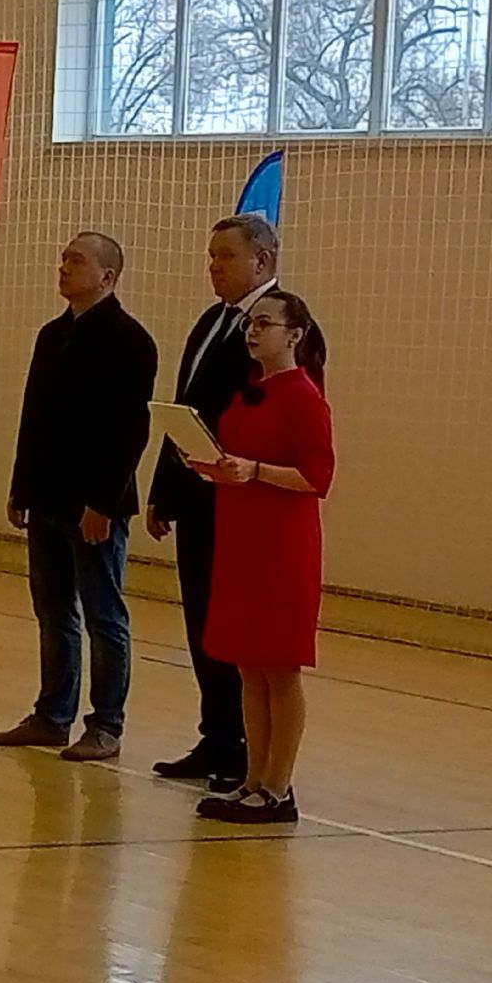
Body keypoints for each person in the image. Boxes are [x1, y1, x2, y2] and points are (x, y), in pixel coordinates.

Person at [0, 232, 157, 762]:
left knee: (104, 615)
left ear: (107, 276)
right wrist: (21, 486)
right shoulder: (51, 335)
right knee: (53, 610)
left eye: (76, 260)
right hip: (47, 497)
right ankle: (51, 715)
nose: (63, 266)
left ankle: (106, 724)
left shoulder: (131, 340)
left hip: (94, 505)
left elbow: (130, 432)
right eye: (63, 257)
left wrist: (103, 503)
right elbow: (34, 415)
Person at [188, 290, 333, 824]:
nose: (252, 331)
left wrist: (254, 471)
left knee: (280, 668)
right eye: (250, 323)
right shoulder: (248, 391)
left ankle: (278, 787)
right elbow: (236, 459)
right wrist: (208, 463)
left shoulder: (305, 397)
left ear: (294, 335)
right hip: (241, 539)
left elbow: (317, 477)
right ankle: (252, 778)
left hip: (282, 547)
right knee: (249, 666)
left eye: (264, 324)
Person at [147, 214, 279, 790]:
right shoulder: (210, 322)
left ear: (262, 261)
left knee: (233, 626)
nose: (214, 266)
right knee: (202, 619)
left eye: (226, 256)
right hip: (198, 496)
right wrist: (162, 491)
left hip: (241, 499)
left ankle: (246, 747)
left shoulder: (281, 327)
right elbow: (185, 410)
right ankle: (217, 734)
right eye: (211, 256)